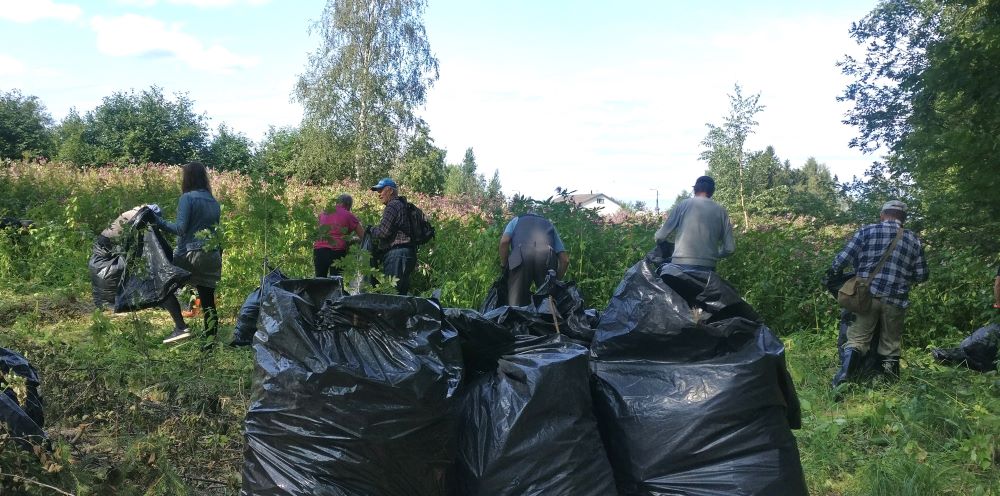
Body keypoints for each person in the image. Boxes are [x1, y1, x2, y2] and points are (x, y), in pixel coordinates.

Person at [828, 200, 929, 386]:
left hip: (865, 297)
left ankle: (844, 379)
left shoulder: (867, 231)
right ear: (904, 219)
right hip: (896, 300)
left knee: (857, 339)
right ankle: (888, 384)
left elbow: (840, 261)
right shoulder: (913, 239)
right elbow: (922, 275)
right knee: (890, 344)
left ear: (883, 215)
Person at [157, 162, 223, 346]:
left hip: (190, 253)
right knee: (208, 300)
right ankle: (210, 341)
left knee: (164, 285)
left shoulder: (187, 198)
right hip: (212, 254)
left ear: (188, 178)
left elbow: (180, 229)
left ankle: (180, 327)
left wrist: (158, 222)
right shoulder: (213, 201)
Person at [654, 175, 735, 271]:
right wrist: (715, 254)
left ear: (695, 189)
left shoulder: (683, 205)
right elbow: (730, 248)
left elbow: (660, 237)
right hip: (708, 268)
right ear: (712, 191)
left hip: (680, 265)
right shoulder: (721, 211)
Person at [498, 211, 569, 307]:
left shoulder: (516, 220)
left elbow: (504, 242)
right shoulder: (549, 224)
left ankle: (515, 313)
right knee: (548, 303)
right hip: (547, 256)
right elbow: (565, 260)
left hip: (521, 254)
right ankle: (551, 318)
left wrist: (504, 266)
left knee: (515, 304)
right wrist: (555, 281)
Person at [369, 178, 417, 294]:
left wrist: (370, 229)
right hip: (407, 254)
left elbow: (383, 232)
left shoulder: (392, 206)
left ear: (390, 190)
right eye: (377, 191)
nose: (379, 194)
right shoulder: (402, 205)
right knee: (401, 295)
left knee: (392, 295)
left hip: (397, 255)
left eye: (381, 190)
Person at [314, 194, 364, 278]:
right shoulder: (349, 215)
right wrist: (354, 240)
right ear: (348, 205)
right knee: (336, 281)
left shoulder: (323, 213)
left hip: (319, 250)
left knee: (319, 280)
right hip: (337, 252)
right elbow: (363, 236)